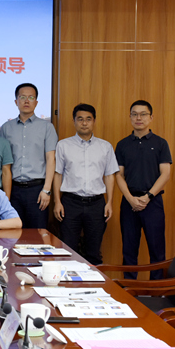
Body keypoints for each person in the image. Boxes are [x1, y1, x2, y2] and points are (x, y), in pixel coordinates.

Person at [53, 104, 118, 265]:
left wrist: (109, 202)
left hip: (96, 204)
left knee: (93, 251)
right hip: (70, 203)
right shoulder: (63, 145)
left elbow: (110, 175)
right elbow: (57, 174)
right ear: (74, 121)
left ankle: (94, 281)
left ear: (94, 121)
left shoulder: (105, 147)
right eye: (80, 119)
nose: (84, 123)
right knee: (67, 250)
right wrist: (57, 202)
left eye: (88, 119)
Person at [115, 100, 172, 279]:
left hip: (153, 203)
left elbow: (165, 174)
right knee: (129, 250)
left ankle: (156, 289)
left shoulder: (161, 143)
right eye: (134, 114)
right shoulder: (122, 144)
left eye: (143, 114)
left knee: (157, 250)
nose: (138, 118)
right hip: (129, 203)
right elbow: (119, 175)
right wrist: (130, 198)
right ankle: (129, 288)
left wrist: (148, 197)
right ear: (130, 117)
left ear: (151, 117)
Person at [0, 83, 58, 229]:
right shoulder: (6, 128)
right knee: (12, 233)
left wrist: (46, 190)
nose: (27, 101)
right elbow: (3, 162)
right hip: (13, 189)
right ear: (16, 101)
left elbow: (51, 159)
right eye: (22, 97)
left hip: (37, 190)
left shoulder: (46, 127)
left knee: (37, 233)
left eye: (31, 97)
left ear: (36, 102)